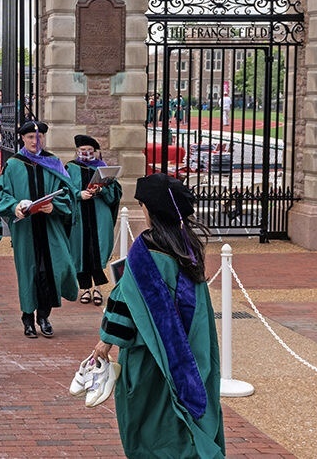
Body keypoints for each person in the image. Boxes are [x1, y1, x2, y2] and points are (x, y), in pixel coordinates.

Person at [91, 173, 224, 458]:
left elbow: (124, 301)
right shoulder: (187, 247)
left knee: (150, 425)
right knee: (179, 421)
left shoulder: (146, 251)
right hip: (188, 350)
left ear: (150, 210)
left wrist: (105, 342)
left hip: (150, 357)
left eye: (142, 205)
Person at [0, 120, 78, 339]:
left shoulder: (53, 162)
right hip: (26, 229)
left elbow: (68, 194)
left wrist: (53, 206)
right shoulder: (14, 165)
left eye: (38, 137)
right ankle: (28, 318)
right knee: (29, 271)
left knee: (53, 269)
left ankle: (44, 316)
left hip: (50, 228)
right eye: (30, 137)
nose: (34, 141)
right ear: (22, 138)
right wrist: (14, 206)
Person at [66, 134, 122, 306]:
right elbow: (64, 189)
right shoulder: (70, 168)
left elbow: (114, 195)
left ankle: (97, 288)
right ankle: (85, 289)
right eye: (83, 150)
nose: (87, 153)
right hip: (79, 216)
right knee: (80, 251)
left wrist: (102, 190)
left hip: (99, 215)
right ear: (77, 150)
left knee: (96, 250)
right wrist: (78, 194)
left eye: (90, 150)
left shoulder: (103, 168)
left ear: (96, 152)